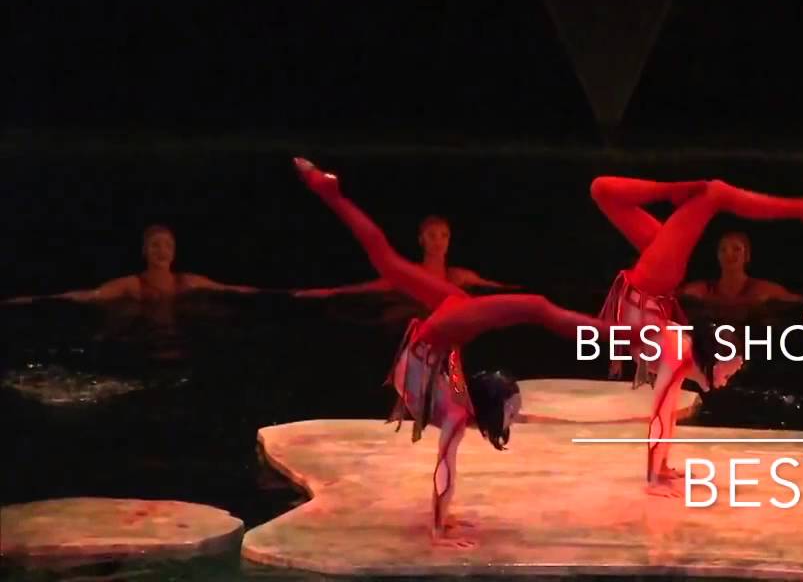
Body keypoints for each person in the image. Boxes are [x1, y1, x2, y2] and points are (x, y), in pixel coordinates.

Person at [294, 158, 623, 548]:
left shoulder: (453, 407)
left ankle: (328, 192)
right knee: (529, 306)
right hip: (432, 347)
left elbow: (444, 469)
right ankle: (327, 191)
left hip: (430, 346)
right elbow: (445, 468)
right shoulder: (456, 402)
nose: (513, 416)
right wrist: (440, 526)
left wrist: (440, 524)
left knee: (533, 307)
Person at [591, 175, 803, 497]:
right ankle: (801, 208)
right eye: (729, 371)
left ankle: (679, 190)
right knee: (714, 194)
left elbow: (666, 412)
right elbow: (660, 414)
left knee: (606, 192)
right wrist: (654, 479)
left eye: (731, 371)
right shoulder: (678, 352)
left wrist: (661, 468)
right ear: (713, 361)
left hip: (650, 292)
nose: (728, 379)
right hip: (650, 288)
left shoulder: (680, 351)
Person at [3, 225, 259, 304]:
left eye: (168, 245)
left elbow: (229, 289)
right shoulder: (132, 285)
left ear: (174, 252)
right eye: (155, 245)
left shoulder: (188, 282)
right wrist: (35, 299)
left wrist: (276, 293)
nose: (162, 251)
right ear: (144, 252)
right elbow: (89, 295)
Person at [292, 215, 515, 298]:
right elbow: (365, 288)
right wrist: (329, 292)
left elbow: (503, 291)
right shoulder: (410, 274)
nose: (438, 241)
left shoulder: (460, 276)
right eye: (432, 236)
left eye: (444, 236)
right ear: (421, 240)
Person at [679, 231, 803, 308]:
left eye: (736, 249)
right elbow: (675, 296)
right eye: (723, 249)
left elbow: (799, 302)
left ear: (747, 256)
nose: (729, 254)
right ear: (718, 256)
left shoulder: (760, 289)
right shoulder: (704, 289)